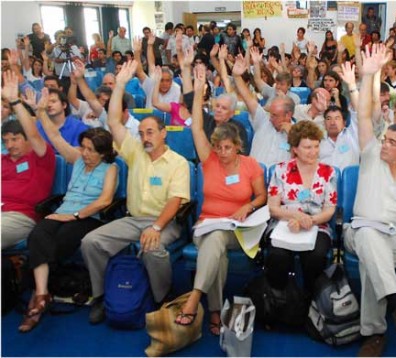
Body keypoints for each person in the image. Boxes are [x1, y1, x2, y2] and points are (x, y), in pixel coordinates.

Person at [81, 61, 191, 324]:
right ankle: (99, 295)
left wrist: (155, 227)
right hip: (133, 220)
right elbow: (113, 120)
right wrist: (119, 85)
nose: (145, 137)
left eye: (150, 132)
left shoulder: (178, 163)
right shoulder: (134, 152)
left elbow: (175, 201)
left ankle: (160, 297)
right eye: (141, 133)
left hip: (165, 222)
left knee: (152, 248)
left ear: (164, 134)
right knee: (90, 242)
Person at [344, 44, 396, 357]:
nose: (384, 144)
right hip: (358, 231)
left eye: (391, 142)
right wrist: (368, 76)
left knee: (371, 265)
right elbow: (364, 114)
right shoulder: (370, 155)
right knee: (366, 234)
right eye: (384, 138)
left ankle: (375, 334)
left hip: (395, 237)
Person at [174, 64, 266, 335]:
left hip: (236, 229)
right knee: (215, 248)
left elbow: (261, 196)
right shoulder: (209, 160)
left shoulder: (251, 165)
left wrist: (247, 206)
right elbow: (197, 128)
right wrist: (200, 93)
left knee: (216, 244)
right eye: (219, 147)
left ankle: (200, 303)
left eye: (228, 148)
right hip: (207, 226)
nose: (222, 152)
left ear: (238, 146)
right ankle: (212, 308)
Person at [20, 87, 118, 333]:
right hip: (64, 211)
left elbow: (104, 200)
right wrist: (40, 112)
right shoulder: (76, 158)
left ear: (103, 152)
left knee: (56, 243)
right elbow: (55, 137)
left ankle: (38, 291)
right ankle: (42, 294)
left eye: (90, 150)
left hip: (88, 217)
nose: (84, 153)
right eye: (83, 147)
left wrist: (73, 215)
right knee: (38, 234)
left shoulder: (110, 169)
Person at [265, 120, 337, 296]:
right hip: (283, 222)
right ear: (295, 149)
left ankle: (310, 299)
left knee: (315, 256)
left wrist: (309, 220)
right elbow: (273, 208)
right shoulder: (281, 170)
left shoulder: (328, 172)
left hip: (317, 224)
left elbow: (329, 210)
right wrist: (296, 217)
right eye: (307, 147)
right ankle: (279, 298)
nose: (313, 152)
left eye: (316, 146)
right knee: (278, 255)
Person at [1, 71, 55, 250]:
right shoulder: (3, 159)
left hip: (20, 217)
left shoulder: (40, 157)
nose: (9, 145)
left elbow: (32, 133)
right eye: (6, 141)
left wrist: (15, 102)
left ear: (27, 141)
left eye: (15, 139)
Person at [232, 54, 294, 166]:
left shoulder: (297, 131)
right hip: (254, 177)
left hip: (280, 180)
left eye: (275, 115)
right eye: (270, 114)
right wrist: (237, 76)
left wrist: (292, 135)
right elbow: (248, 98)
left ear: (288, 115)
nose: (270, 118)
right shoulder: (263, 120)